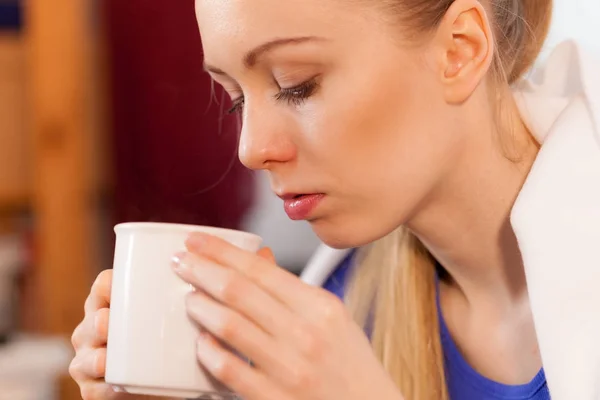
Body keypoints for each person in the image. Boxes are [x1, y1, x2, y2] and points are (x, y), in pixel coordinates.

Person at [68, 0, 600, 399]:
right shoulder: (337, 316)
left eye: (297, 85)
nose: (251, 149)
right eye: (234, 101)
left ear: (460, 51)